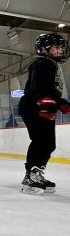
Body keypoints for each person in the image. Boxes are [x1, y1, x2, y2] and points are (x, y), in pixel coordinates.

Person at [17, 33, 70, 194]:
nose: (59, 50)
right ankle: (30, 175)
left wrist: (60, 103)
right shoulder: (42, 64)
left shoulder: (52, 64)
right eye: (55, 47)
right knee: (40, 141)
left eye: (61, 47)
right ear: (44, 50)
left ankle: (38, 172)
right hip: (34, 105)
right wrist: (45, 104)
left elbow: (50, 89)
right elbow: (37, 87)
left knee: (49, 144)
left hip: (44, 105)